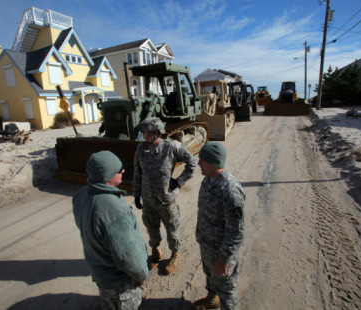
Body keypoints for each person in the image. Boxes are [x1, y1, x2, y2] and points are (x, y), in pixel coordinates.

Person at [73, 151, 149, 310]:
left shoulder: (80, 196)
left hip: (101, 273)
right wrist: (141, 274)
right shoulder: (112, 210)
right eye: (119, 169)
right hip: (120, 283)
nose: (123, 171)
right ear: (108, 176)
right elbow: (128, 255)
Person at [133, 117, 197, 275]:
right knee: (151, 227)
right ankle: (156, 251)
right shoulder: (141, 149)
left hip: (166, 200)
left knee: (172, 228)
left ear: (158, 133)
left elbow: (192, 163)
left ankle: (175, 254)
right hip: (148, 200)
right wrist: (136, 194)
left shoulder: (171, 147)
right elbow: (137, 173)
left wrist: (179, 181)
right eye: (144, 132)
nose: (146, 135)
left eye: (150, 132)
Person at [192, 142, 245, 310]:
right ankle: (212, 299)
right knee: (210, 276)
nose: (199, 163)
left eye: (203, 160)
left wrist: (223, 260)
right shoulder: (208, 179)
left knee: (226, 290)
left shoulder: (230, 191)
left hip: (221, 252)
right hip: (208, 246)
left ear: (215, 162)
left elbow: (236, 232)